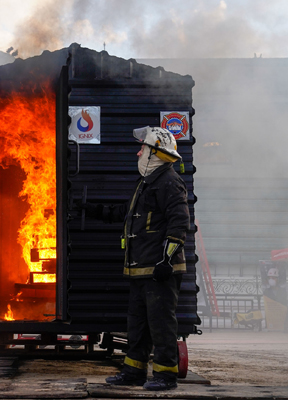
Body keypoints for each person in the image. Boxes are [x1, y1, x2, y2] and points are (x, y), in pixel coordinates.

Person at [78, 127, 190, 391]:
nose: (138, 152)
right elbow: (125, 215)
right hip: (141, 269)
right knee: (137, 325)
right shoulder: (146, 183)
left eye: (143, 148)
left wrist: (166, 261)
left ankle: (165, 376)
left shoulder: (169, 182)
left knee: (161, 325)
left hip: (158, 270)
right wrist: (93, 210)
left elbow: (179, 222)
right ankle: (133, 372)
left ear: (155, 153)